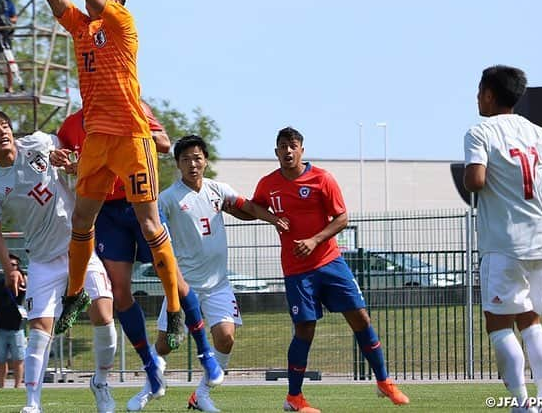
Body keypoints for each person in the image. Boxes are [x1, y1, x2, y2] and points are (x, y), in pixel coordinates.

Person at [21, 0, 185, 350]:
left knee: (150, 224)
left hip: (132, 137)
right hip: (96, 138)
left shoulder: (122, 22)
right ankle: (75, 296)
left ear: (115, 0)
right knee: (82, 220)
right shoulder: (83, 29)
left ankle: (174, 308)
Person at [55, 106, 223, 410]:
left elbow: (163, 143)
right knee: (120, 291)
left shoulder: (133, 106)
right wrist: (66, 161)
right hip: (106, 211)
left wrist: (126, 139)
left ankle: (205, 352)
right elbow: (64, 157)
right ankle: (149, 365)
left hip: (142, 204)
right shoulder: (69, 126)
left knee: (172, 277)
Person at [252, 127, 409, 413]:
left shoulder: (322, 179)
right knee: (304, 329)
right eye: (282, 146)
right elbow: (253, 207)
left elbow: (342, 218)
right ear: (276, 152)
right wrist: (272, 219)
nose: (288, 151)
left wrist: (314, 240)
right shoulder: (268, 184)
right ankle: (294, 398)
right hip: (297, 271)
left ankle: (384, 381)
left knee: (360, 317)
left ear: (302, 149)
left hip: (330, 262)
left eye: (293, 145)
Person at [0, 109, 117, 413]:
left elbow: (75, 163)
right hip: (42, 259)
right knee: (39, 328)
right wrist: (9, 268)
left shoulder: (39, 142)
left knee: (104, 316)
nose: (4, 132)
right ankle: (32, 404)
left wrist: (71, 164)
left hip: (81, 246)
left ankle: (101, 382)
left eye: (5, 126)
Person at [156, 134, 287, 412]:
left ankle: (201, 394)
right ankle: (152, 381)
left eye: (197, 158)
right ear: (178, 164)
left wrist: (274, 219)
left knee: (226, 337)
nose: (192, 164)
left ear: (205, 160)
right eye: (186, 159)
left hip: (218, 284)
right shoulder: (167, 199)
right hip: (183, 286)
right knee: (165, 345)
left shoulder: (218, 190)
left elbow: (247, 207)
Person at [464, 65, 542, 413]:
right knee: (531, 320)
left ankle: (521, 403)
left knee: (498, 324)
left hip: (504, 243)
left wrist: (477, 174)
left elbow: (476, 180)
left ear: (488, 94)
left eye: (479, 90)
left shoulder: (480, 132)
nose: (476, 97)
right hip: (540, 241)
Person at [0, 253, 27, 389]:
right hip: (0, 327)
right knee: (0, 359)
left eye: (13, 265)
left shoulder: (23, 282)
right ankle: (1, 386)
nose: (10, 267)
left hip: (17, 328)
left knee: (18, 359)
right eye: (8, 265)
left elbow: (26, 289)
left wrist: (19, 279)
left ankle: (17, 386)